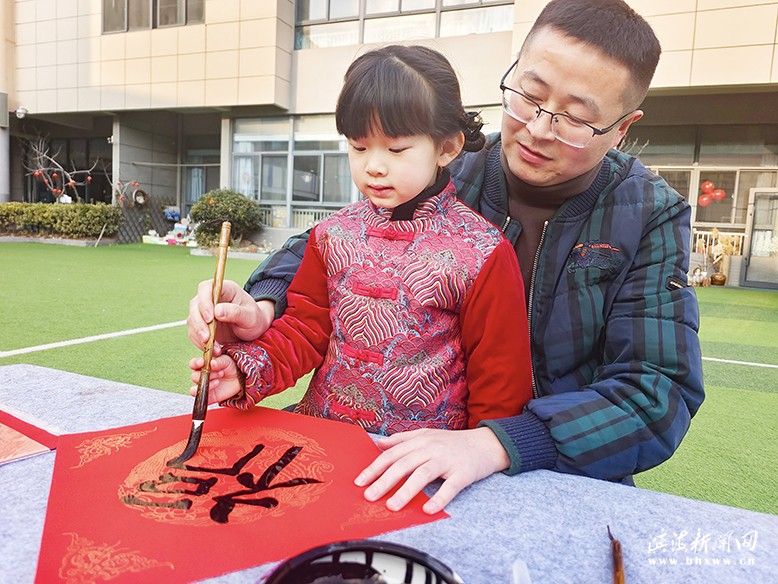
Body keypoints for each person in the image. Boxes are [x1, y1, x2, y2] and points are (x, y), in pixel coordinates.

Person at [188, 0, 705, 515]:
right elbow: (322, 254)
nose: (539, 129)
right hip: (365, 450)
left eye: (574, 118)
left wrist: (499, 442)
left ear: (621, 127)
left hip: (536, 465)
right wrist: (258, 310)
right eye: (528, 96)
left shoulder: (649, 213)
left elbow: (656, 392)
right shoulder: (434, 164)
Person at [189, 45, 533, 438]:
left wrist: (482, 450)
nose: (373, 165)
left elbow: (501, 381)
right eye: (359, 146)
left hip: (418, 459)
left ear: (447, 147)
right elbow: (304, 331)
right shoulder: (331, 235)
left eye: (397, 148)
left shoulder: (482, 252)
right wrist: (243, 369)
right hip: (323, 440)